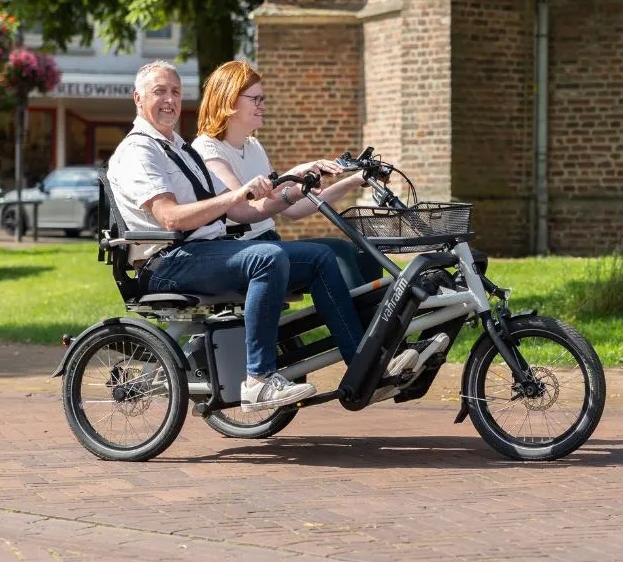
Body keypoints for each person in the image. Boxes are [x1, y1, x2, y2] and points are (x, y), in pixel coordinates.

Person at [107, 60, 416, 412]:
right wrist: (237, 195)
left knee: (321, 257)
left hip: (205, 250)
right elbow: (170, 217)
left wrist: (294, 181)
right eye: (159, 91)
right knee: (266, 256)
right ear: (137, 97)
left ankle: (363, 366)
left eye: (175, 91)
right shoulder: (139, 151)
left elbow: (243, 207)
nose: (170, 100)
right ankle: (258, 380)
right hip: (170, 261)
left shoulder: (178, 147)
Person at [191, 59, 383, 289]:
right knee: (338, 251)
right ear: (228, 100)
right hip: (243, 250)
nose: (262, 105)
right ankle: (363, 323)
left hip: (270, 242)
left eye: (263, 99)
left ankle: (381, 321)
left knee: (366, 252)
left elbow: (293, 209)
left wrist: (353, 180)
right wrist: (295, 179)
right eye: (255, 99)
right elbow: (245, 208)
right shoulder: (207, 149)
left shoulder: (253, 146)